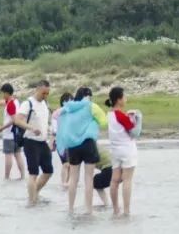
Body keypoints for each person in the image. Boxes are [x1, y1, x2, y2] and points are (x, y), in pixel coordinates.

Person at [55, 87, 105, 215]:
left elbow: (56, 116)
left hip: (73, 146)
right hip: (88, 143)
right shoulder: (91, 106)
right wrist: (93, 122)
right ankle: (89, 210)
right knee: (88, 178)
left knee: (73, 179)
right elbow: (104, 123)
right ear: (88, 96)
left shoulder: (69, 108)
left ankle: (70, 209)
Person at [13, 79, 53, 206]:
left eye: (47, 93)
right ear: (37, 89)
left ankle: (34, 192)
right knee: (33, 173)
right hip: (30, 141)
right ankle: (32, 201)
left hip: (43, 141)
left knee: (48, 171)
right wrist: (31, 128)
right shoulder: (28, 103)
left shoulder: (45, 104)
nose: (45, 96)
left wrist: (49, 130)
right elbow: (17, 120)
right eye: (43, 93)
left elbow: (45, 121)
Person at [105, 86, 139, 216]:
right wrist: (135, 118)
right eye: (124, 97)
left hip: (115, 150)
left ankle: (115, 210)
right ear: (118, 100)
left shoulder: (110, 114)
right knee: (127, 180)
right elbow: (133, 130)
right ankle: (126, 210)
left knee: (114, 180)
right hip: (127, 149)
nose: (126, 99)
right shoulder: (120, 115)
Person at [0, 82, 26, 180]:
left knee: (8, 155)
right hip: (17, 134)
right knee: (18, 154)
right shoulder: (15, 102)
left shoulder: (10, 105)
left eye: (3, 93)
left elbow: (13, 120)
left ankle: (7, 176)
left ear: (6, 93)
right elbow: (0, 102)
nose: (2, 95)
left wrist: (1, 128)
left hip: (9, 134)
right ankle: (22, 176)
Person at [52, 92, 73, 188]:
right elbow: (54, 129)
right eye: (69, 100)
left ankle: (67, 184)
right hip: (61, 142)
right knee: (66, 164)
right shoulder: (57, 113)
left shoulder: (72, 113)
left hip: (71, 142)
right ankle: (64, 183)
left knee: (71, 165)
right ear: (64, 102)